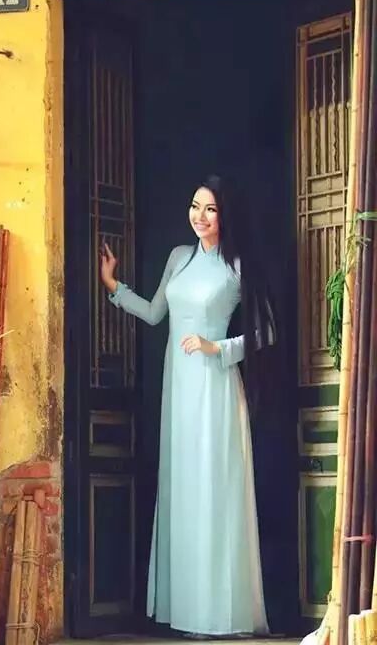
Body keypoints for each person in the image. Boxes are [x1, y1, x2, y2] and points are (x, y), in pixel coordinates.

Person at [100, 174, 275, 638]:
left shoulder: (237, 265)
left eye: (211, 208)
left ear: (225, 215)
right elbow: (156, 313)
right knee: (183, 491)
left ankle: (219, 614)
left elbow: (265, 333)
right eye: (196, 206)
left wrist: (218, 347)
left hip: (215, 389)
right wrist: (114, 286)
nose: (200, 216)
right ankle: (188, 611)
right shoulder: (179, 258)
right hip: (178, 390)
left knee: (212, 491)